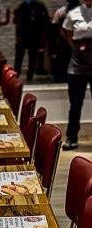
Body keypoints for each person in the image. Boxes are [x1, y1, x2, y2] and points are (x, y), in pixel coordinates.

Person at [62, 0, 92, 150]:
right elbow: (67, 32)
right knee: (75, 106)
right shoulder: (73, 13)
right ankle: (71, 138)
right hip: (77, 67)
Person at [14, 0, 50, 81]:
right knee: (29, 57)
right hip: (31, 34)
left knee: (23, 56)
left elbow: (18, 21)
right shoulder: (37, 5)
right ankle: (27, 75)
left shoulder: (24, 5)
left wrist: (18, 35)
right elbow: (45, 20)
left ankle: (21, 74)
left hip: (29, 34)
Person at [50, 0, 80, 82]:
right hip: (65, 41)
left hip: (74, 39)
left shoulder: (62, 11)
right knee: (64, 60)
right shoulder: (62, 11)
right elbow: (55, 27)